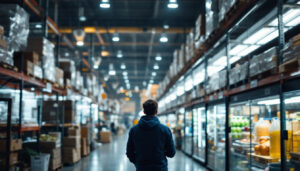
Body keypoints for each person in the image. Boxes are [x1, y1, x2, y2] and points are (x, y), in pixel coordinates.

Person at [126, 99, 176, 171]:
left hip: (141, 168)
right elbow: (171, 153)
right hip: (160, 168)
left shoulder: (134, 130)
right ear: (156, 111)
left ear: (144, 111)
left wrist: (138, 162)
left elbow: (129, 152)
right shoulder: (165, 130)